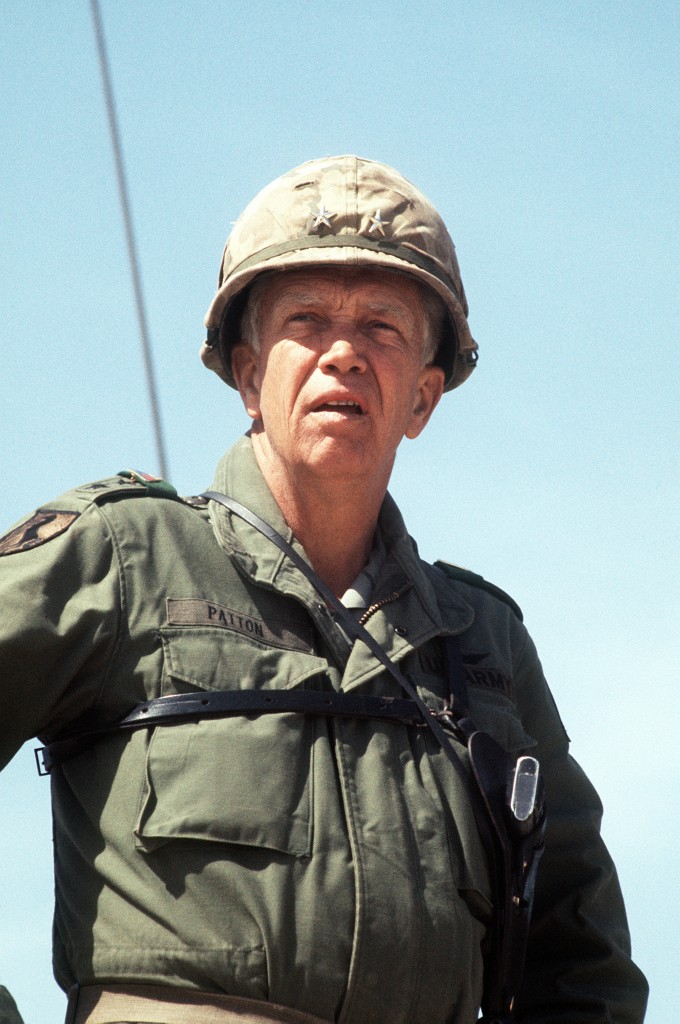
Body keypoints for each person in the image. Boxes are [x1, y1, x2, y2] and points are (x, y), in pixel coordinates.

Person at [0, 155, 647, 1024]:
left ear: (423, 399)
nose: (344, 353)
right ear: (247, 375)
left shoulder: (481, 643)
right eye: (306, 320)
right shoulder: (123, 556)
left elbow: (583, 964)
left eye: (383, 326)